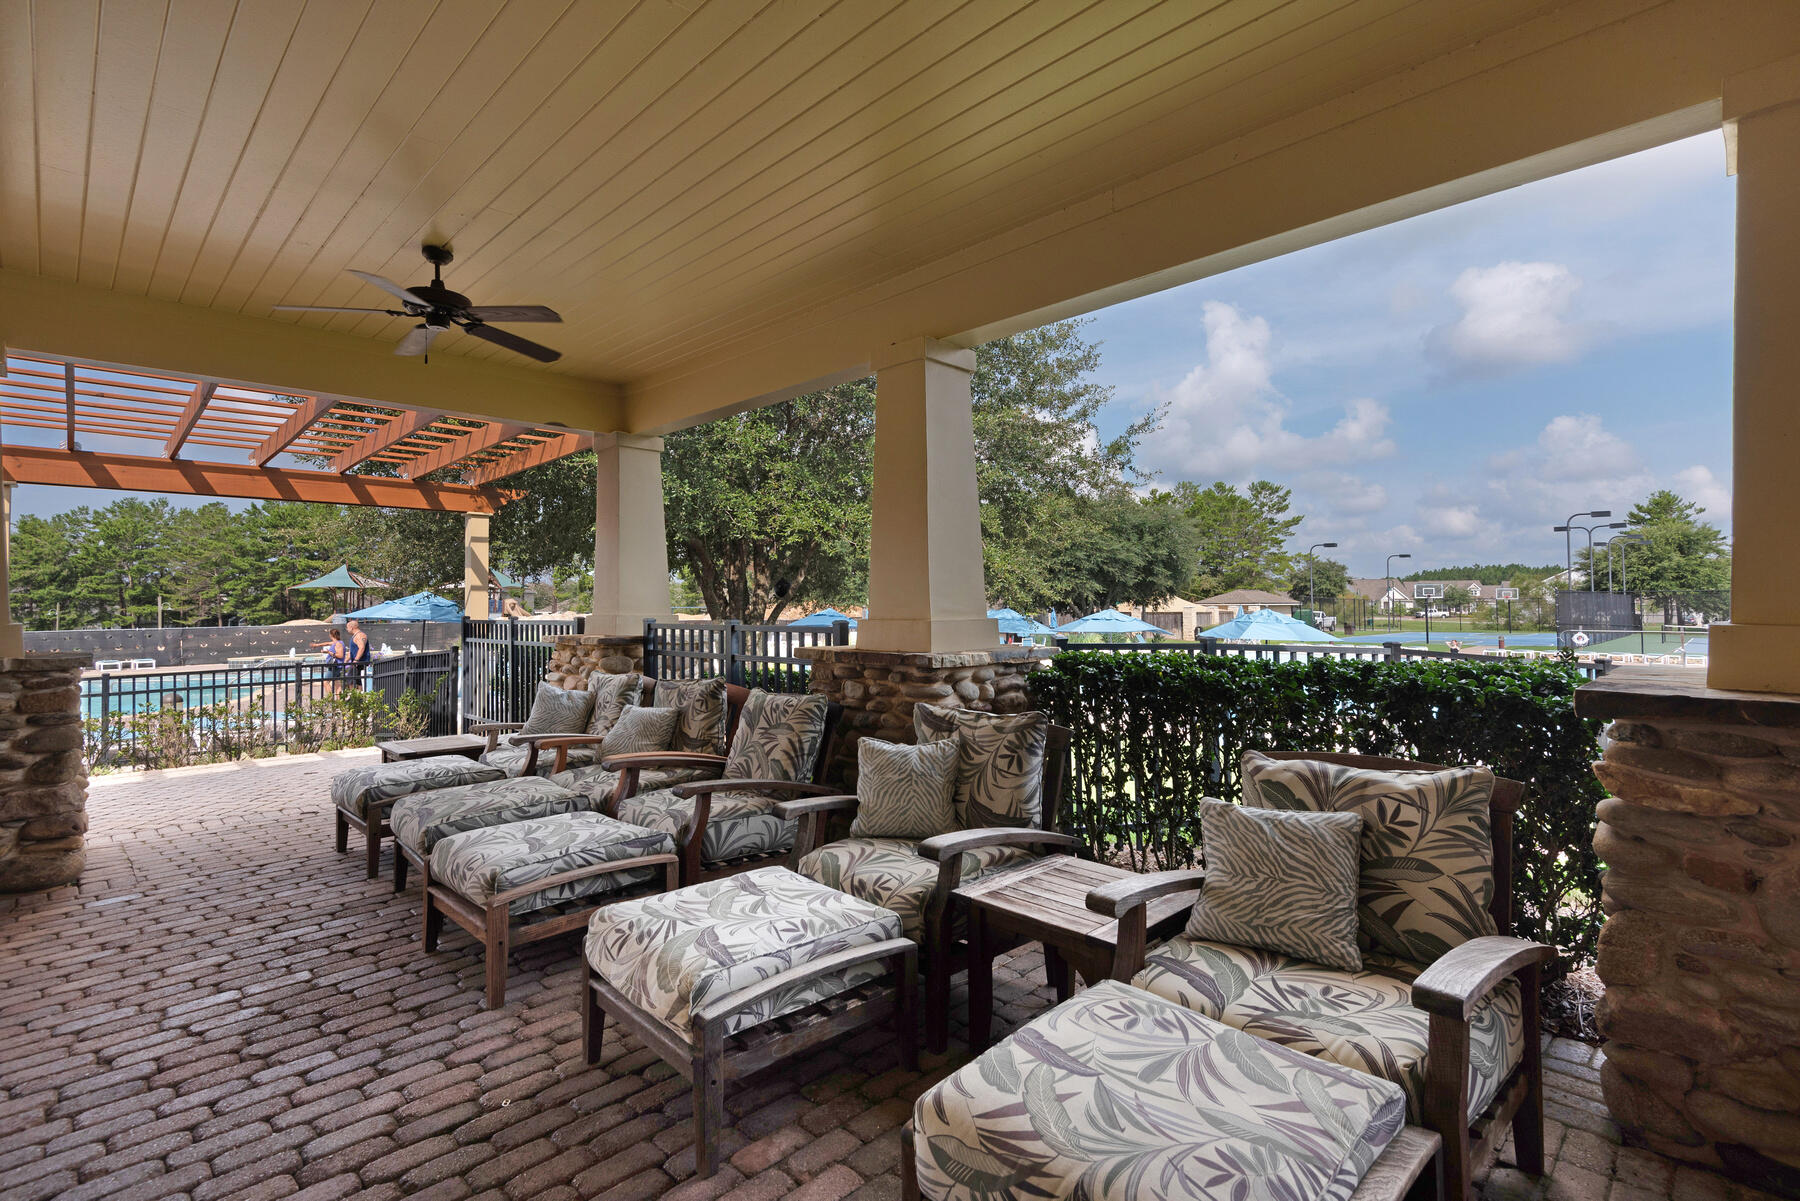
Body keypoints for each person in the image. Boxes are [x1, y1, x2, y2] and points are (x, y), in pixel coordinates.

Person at [344, 619, 371, 687]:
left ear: (351, 627)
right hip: (357, 662)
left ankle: (355, 693)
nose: (347, 629)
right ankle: (358, 693)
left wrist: (356, 660)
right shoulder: (355, 636)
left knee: (351, 680)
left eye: (347, 627)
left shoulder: (360, 635)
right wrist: (345, 660)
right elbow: (351, 651)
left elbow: (361, 648)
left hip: (360, 662)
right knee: (356, 681)